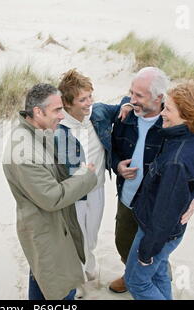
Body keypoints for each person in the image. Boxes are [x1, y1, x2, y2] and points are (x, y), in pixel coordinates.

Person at [108, 67, 194, 293]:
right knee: (125, 243)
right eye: (131, 93)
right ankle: (131, 272)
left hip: (156, 210)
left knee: (153, 256)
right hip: (128, 197)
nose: (132, 99)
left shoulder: (172, 129)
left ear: (159, 98)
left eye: (139, 96)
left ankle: (139, 276)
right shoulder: (125, 115)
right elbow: (113, 148)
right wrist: (117, 165)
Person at [2, 83, 97, 300]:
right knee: (60, 288)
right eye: (57, 110)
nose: (62, 116)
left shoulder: (37, 131)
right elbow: (52, 197)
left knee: (43, 278)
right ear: (37, 111)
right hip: (46, 230)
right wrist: (86, 176)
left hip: (53, 226)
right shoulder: (24, 151)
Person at [56, 69, 131, 298]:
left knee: (92, 234)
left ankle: (88, 266)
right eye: (82, 99)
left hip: (97, 188)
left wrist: (126, 104)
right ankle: (76, 277)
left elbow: (124, 104)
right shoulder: (57, 127)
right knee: (75, 238)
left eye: (90, 96)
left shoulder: (98, 113)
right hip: (73, 194)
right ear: (68, 103)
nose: (89, 102)